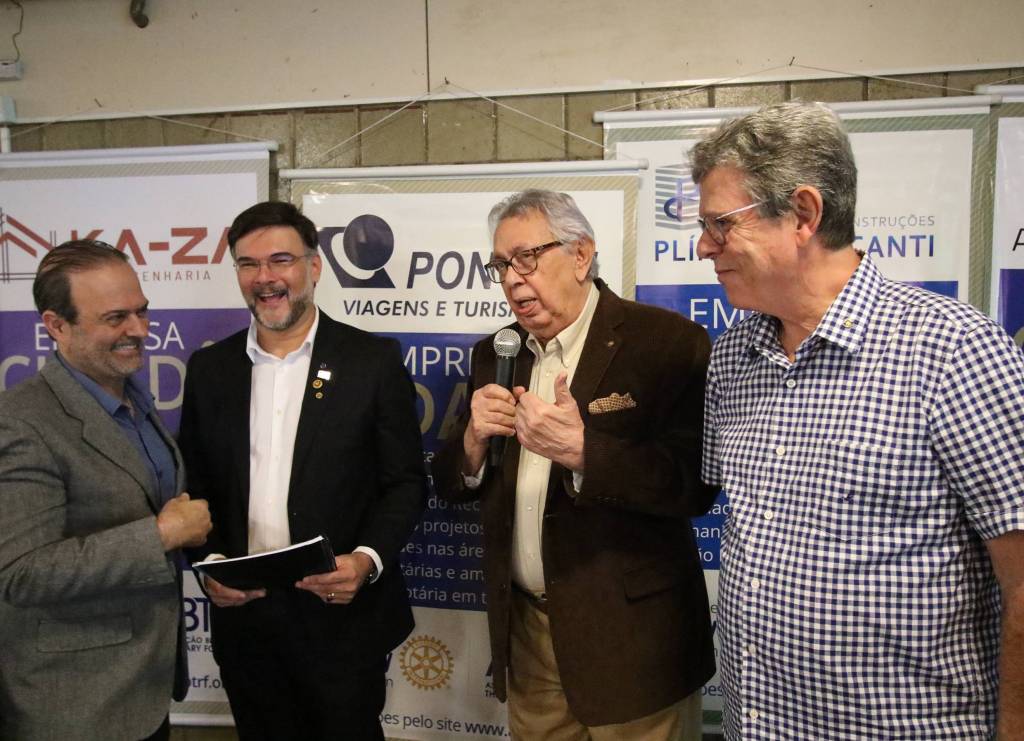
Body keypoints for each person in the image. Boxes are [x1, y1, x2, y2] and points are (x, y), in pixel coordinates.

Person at [692, 101, 1024, 739]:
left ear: (804, 214)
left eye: (721, 224)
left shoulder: (953, 352)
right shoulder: (733, 355)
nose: (705, 245)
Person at [433, 189, 717, 740]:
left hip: (634, 644)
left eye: (526, 258)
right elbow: (452, 481)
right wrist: (470, 441)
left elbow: (693, 485)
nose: (512, 280)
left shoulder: (665, 342)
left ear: (581, 255)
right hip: (529, 637)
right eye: (501, 265)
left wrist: (585, 453)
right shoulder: (495, 353)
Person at [178, 201, 427, 741]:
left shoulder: (371, 361)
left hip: (342, 621)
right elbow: (193, 486)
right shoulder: (210, 369)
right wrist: (212, 562)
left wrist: (366, 561)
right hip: (246, 624)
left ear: (314, 267)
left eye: (281, 260)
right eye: (248, 264)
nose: (264, 278)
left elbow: (406, 483)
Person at [0, 240, 212, 741]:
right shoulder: (21, 421)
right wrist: (161, 535)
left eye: (142, 311)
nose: (138, 330)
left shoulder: (133, 395)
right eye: (116, 318)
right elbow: (21, 573)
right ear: (56, 326)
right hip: (75, 703)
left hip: (144, 687)